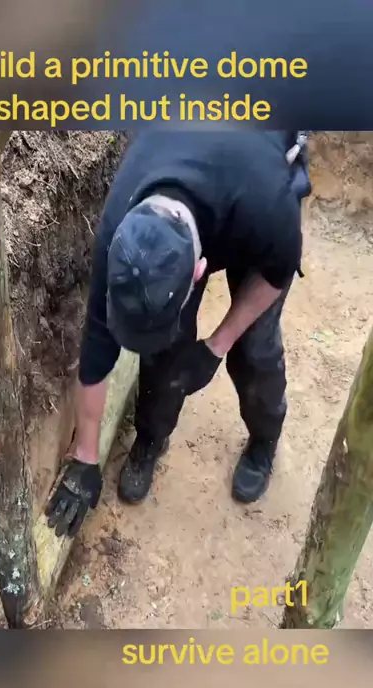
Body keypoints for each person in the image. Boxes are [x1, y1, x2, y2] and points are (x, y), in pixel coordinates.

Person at [45, 130, 311, 538]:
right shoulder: (118, 236)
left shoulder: (270, 207)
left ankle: (263, 439)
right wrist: (85, 457)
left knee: (255, 348)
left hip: (254, 183)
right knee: (165, 353)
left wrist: (217, 345)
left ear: (199, 271)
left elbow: (275, 276)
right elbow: (96, 354)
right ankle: (151, 437)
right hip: (210, 183)